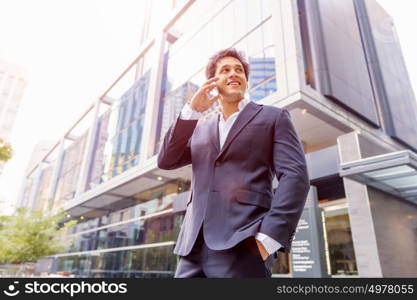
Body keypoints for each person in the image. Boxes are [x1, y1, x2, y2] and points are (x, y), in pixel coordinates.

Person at [158, 48, 310, 277]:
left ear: (246, 81)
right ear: (213, 82)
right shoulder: (200, 128)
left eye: (239, 70)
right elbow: (167, 159)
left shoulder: (273, 117)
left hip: (244, 244)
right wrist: (192, 111)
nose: (233, 74)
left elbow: (295, 177)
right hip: (192, 248)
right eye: (225, 70)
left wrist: (268, 239)